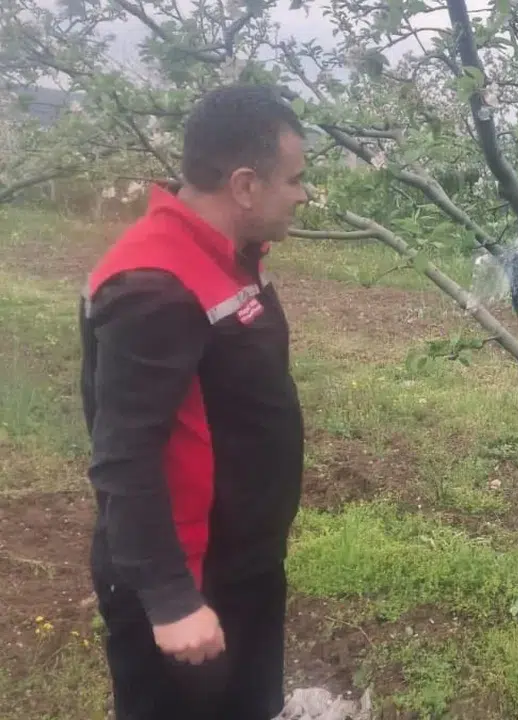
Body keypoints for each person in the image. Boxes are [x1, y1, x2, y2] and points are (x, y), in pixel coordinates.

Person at [78, 84, 309, 720]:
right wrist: (170, 598)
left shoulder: (232, 255)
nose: (303, 195)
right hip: (192, 578)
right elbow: (124, 453)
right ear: (244, 186)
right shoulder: (153, 285)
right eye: (295, 180)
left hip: (242, 561)